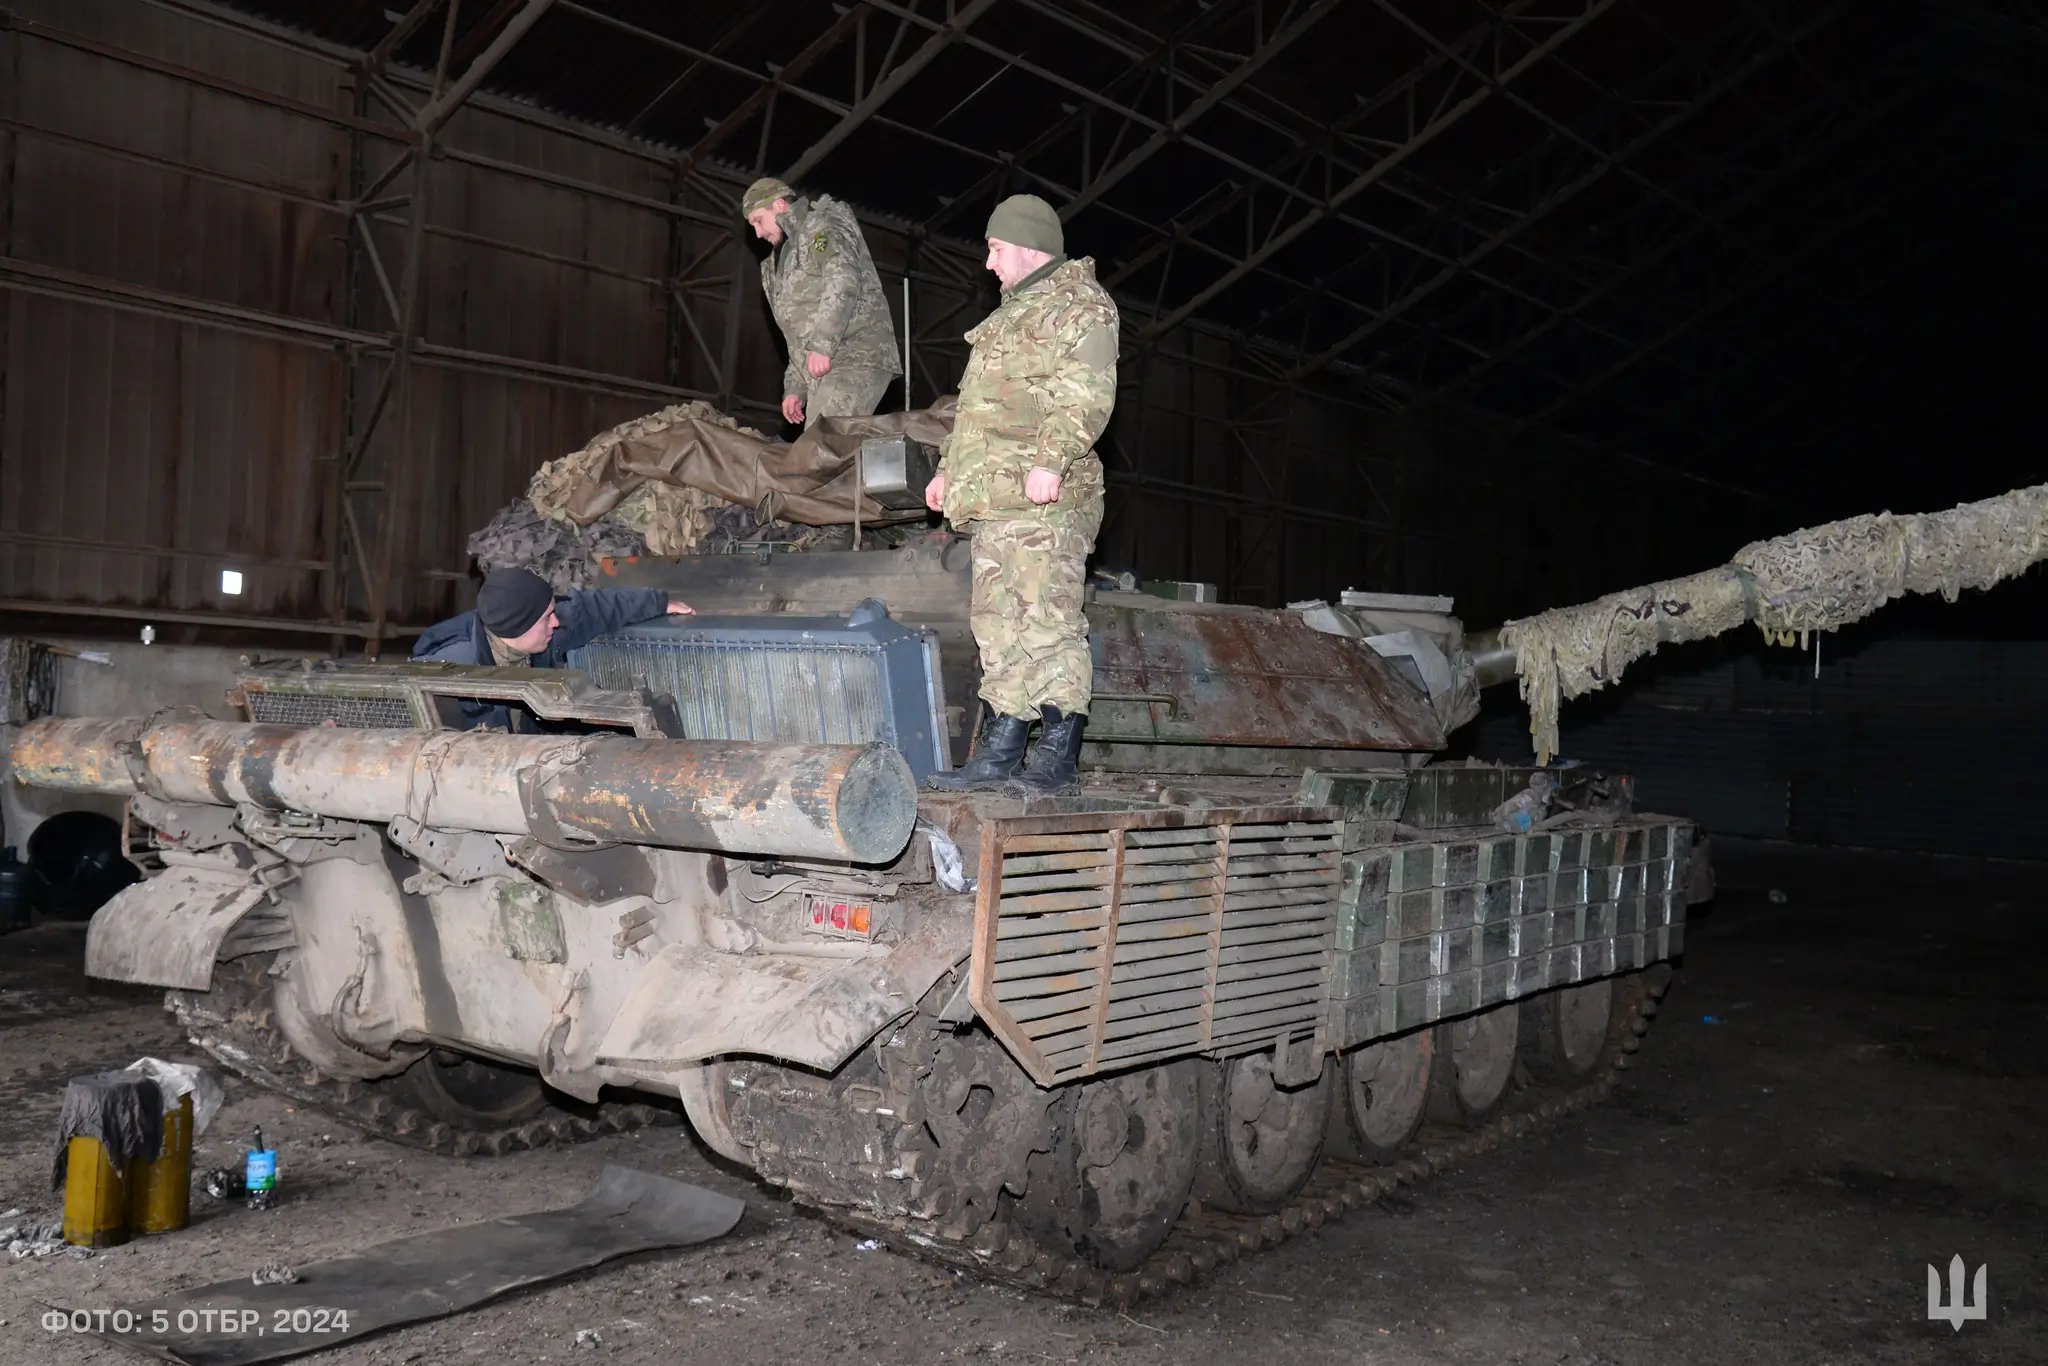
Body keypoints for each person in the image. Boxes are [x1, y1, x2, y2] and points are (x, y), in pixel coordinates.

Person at [923, 194, 1118, 794]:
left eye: (996, 249)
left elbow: (1084, 395)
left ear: (1029, 247)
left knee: (1046, 620)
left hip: (1045, 499)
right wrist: (948, 471)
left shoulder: (1080, 307)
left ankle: (1057, 759)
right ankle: (1000, 753)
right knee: (998, 624)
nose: (988, 263)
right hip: (995, 501)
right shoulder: (1010, 315)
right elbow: (975, 413)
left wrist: (1050, 460)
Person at [412, 568, 692, 729]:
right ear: (517, 627)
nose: (556, 623)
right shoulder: (450, 673)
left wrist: (659, 603)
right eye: (547, 617)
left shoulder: (540, 631)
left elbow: (594, 608)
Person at [742, 177, 902, 429]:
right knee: (824, 450)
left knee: (820, 448)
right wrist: (795, 387)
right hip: (824, 369)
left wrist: (823, 344)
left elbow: (843, 277)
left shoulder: (820, 226)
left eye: (758, 221)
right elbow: (796, 330)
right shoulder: (781, 259)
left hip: (854, 355)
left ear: (780, 205)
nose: (757, 233)